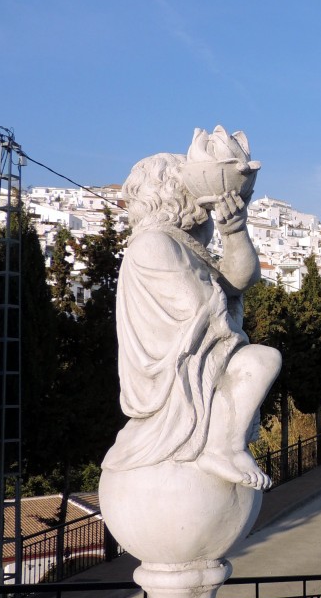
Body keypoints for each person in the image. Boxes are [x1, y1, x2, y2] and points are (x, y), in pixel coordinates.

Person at [102, 140, 280, 490]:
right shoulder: (154, 244)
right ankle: (221, 448)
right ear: (173, 191)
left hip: (193, 361)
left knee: (258, 361)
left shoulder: (180, 244)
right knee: (261, 361)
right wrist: (222, 295)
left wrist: (234, 232)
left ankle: (223, 446)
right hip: (174, 374)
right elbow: (202, 305)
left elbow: (237, 282)